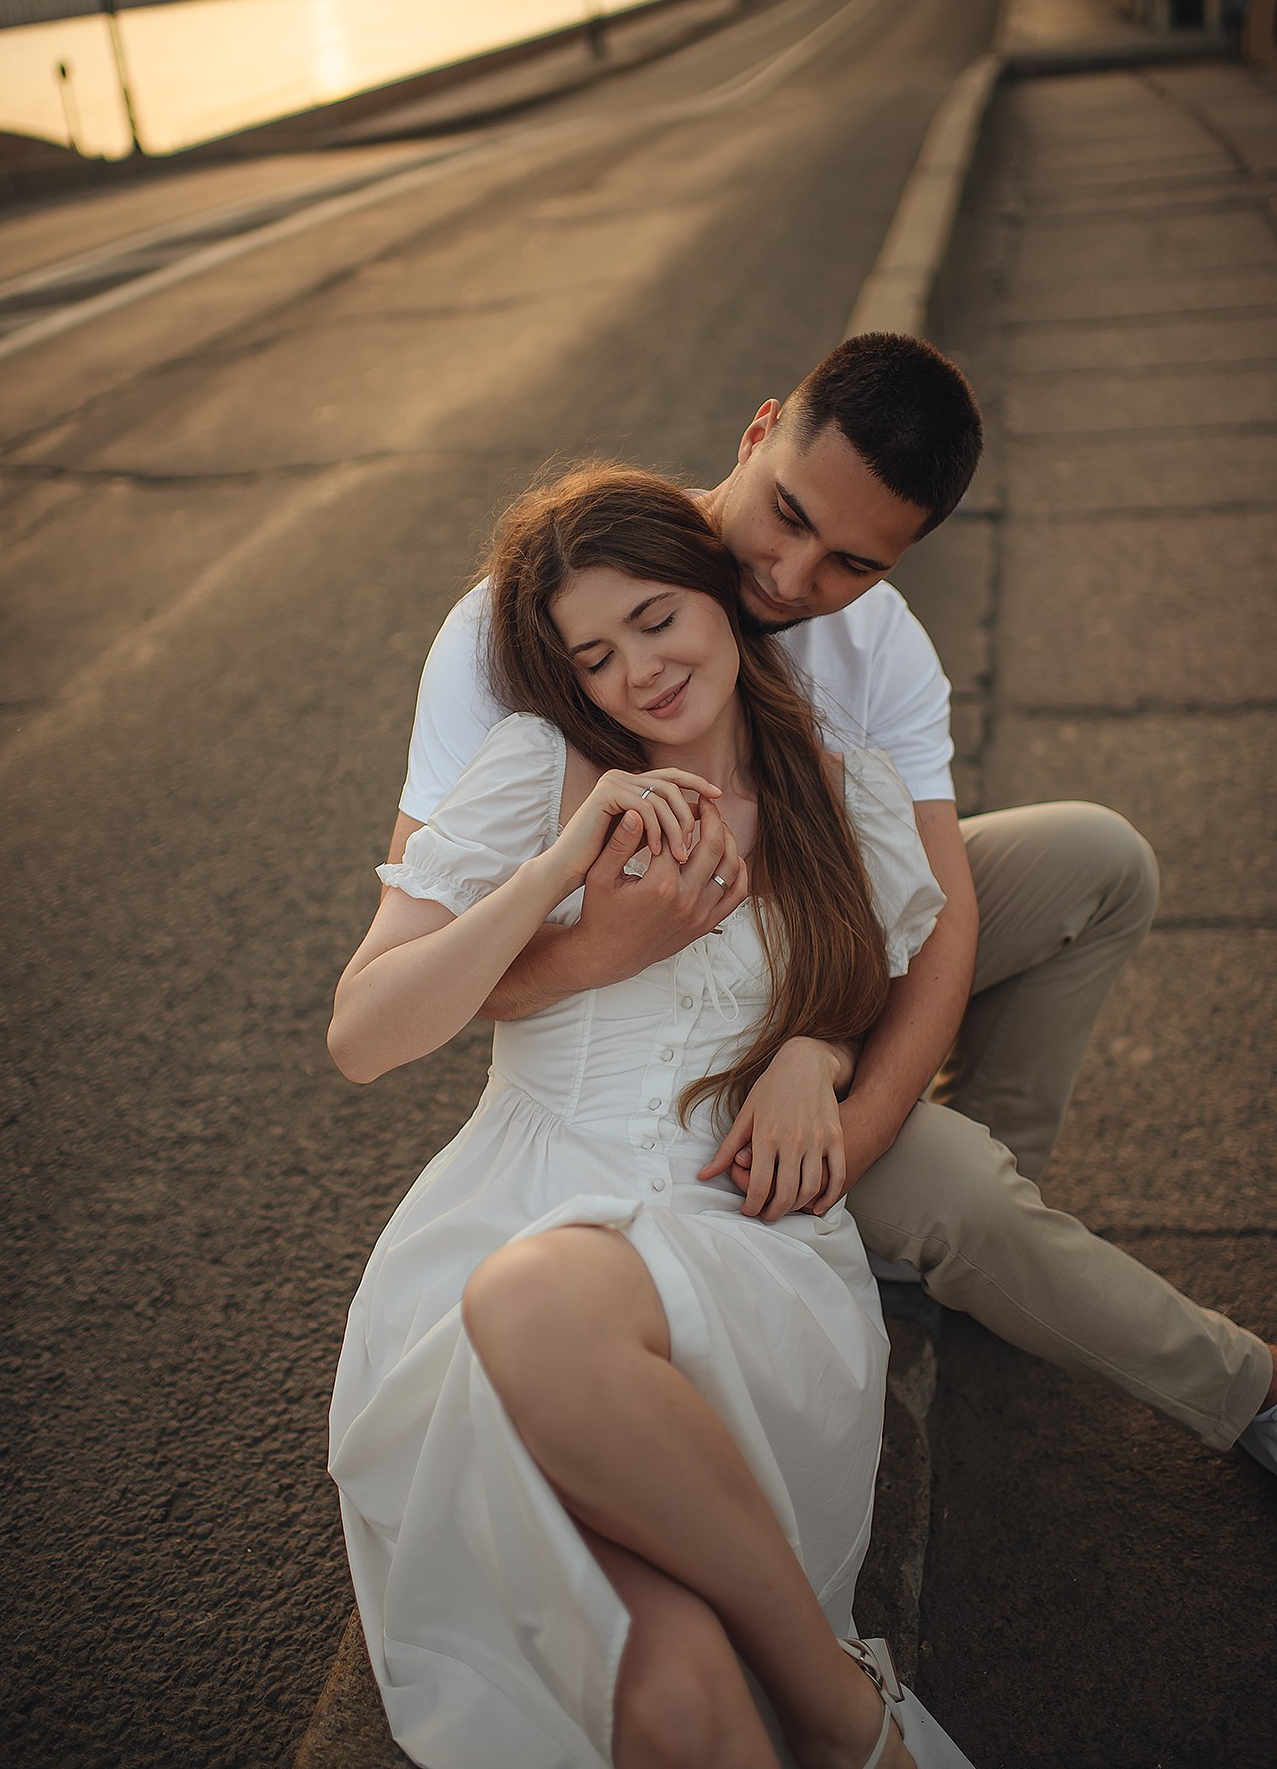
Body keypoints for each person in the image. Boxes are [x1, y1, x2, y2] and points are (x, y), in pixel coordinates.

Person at [384, 331, 1277, 1467]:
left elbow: (938, 916)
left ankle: (929, 1233)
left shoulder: (872, 642)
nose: (794, 582)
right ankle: (1234, 1381)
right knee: (967, 1201)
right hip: (655, 1053)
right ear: (757, 434)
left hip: (819, 969)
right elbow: (432, 969)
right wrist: (604, 946)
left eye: (854, 562)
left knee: (1096, 862)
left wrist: (845, 1108)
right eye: (789, 517)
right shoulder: (526, 624)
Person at [329, 469, 976, 1769]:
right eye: (595, 654)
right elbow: (365, 1034)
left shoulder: (834, 789)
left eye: (658, 616)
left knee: (534, 1309)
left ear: (722, 597)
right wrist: (563, 869)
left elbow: (874, 970)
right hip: (515, 1202)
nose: (642, 670)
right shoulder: (543, 770)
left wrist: (815, 1046)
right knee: (681, 1708)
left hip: (736, 1240)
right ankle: (853, 1714)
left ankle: (837, 1704)